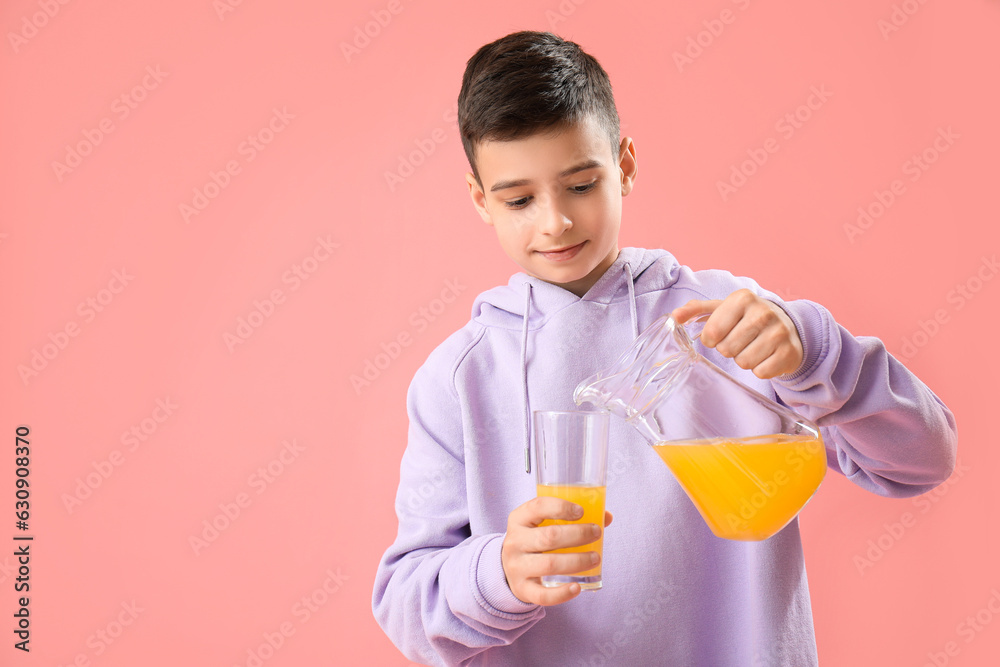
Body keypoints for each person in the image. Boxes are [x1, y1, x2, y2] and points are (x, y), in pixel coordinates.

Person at [372, 30, 957, 666]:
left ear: (624, 165)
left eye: (581, 184)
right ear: (481, 200)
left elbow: (922, 461)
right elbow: (407, 608)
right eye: (519, 199)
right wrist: (497, 575)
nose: (555, 221)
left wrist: (815, 351)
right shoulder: (458, 380)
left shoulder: (727, 323)